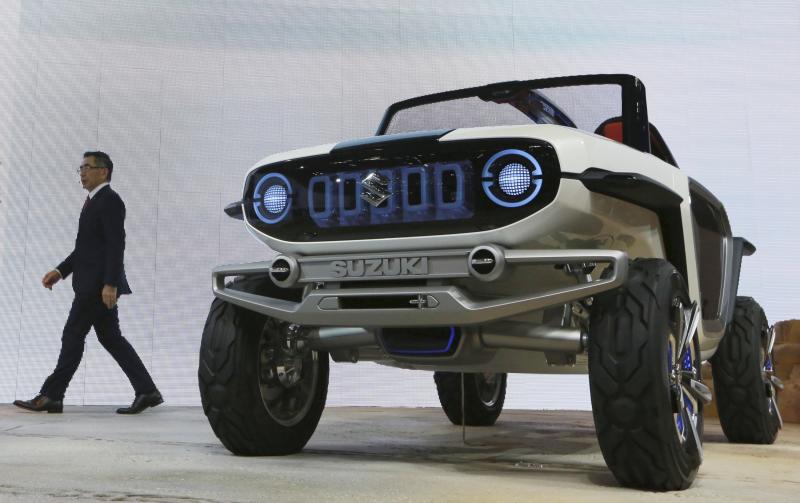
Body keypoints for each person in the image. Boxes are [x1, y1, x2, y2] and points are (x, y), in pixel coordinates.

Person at [13, 151, 162, 415]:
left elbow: (116, 245)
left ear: (103, 171)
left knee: (73, 335)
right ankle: (147, 390)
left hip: (96, 287)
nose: (81, 172)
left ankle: (51, 395)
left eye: (87, 167)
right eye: (80, 168)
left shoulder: (110, 201)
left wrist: (110, 283)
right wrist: (60, 271)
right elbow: (86, 249)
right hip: (93, 284)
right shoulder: (94, 201)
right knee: (111, 338)